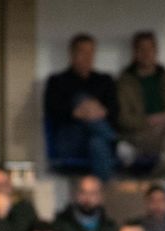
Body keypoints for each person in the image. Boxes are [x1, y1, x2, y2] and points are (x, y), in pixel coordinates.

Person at [44, 33, 119, 180]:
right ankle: (116, 141)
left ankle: (101, 191)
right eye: (83, 52)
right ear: (72, 54)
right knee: (81, 98)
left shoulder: (105, 81)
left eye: (91, 52)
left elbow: (114, 111)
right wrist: (76, 112)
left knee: (97, 143)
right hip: (70, 139)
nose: (87, 57)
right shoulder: (57, 81)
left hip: (97, 139)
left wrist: (99, 111)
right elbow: (53, 111)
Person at [115, 31, 165, 174]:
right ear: (135, 53)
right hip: (141, 134)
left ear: (156, 52)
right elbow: (122, 119)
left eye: (150, 49)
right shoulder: (124, 82)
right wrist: (149, 120)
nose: (146, 54)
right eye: (142, 49)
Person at [53, 174, 118, 231]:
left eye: (93, 193)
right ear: (76, 194)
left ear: (101, 196)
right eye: (83, 192)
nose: (87, 198)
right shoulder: (61, 224)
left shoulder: (110, 227)